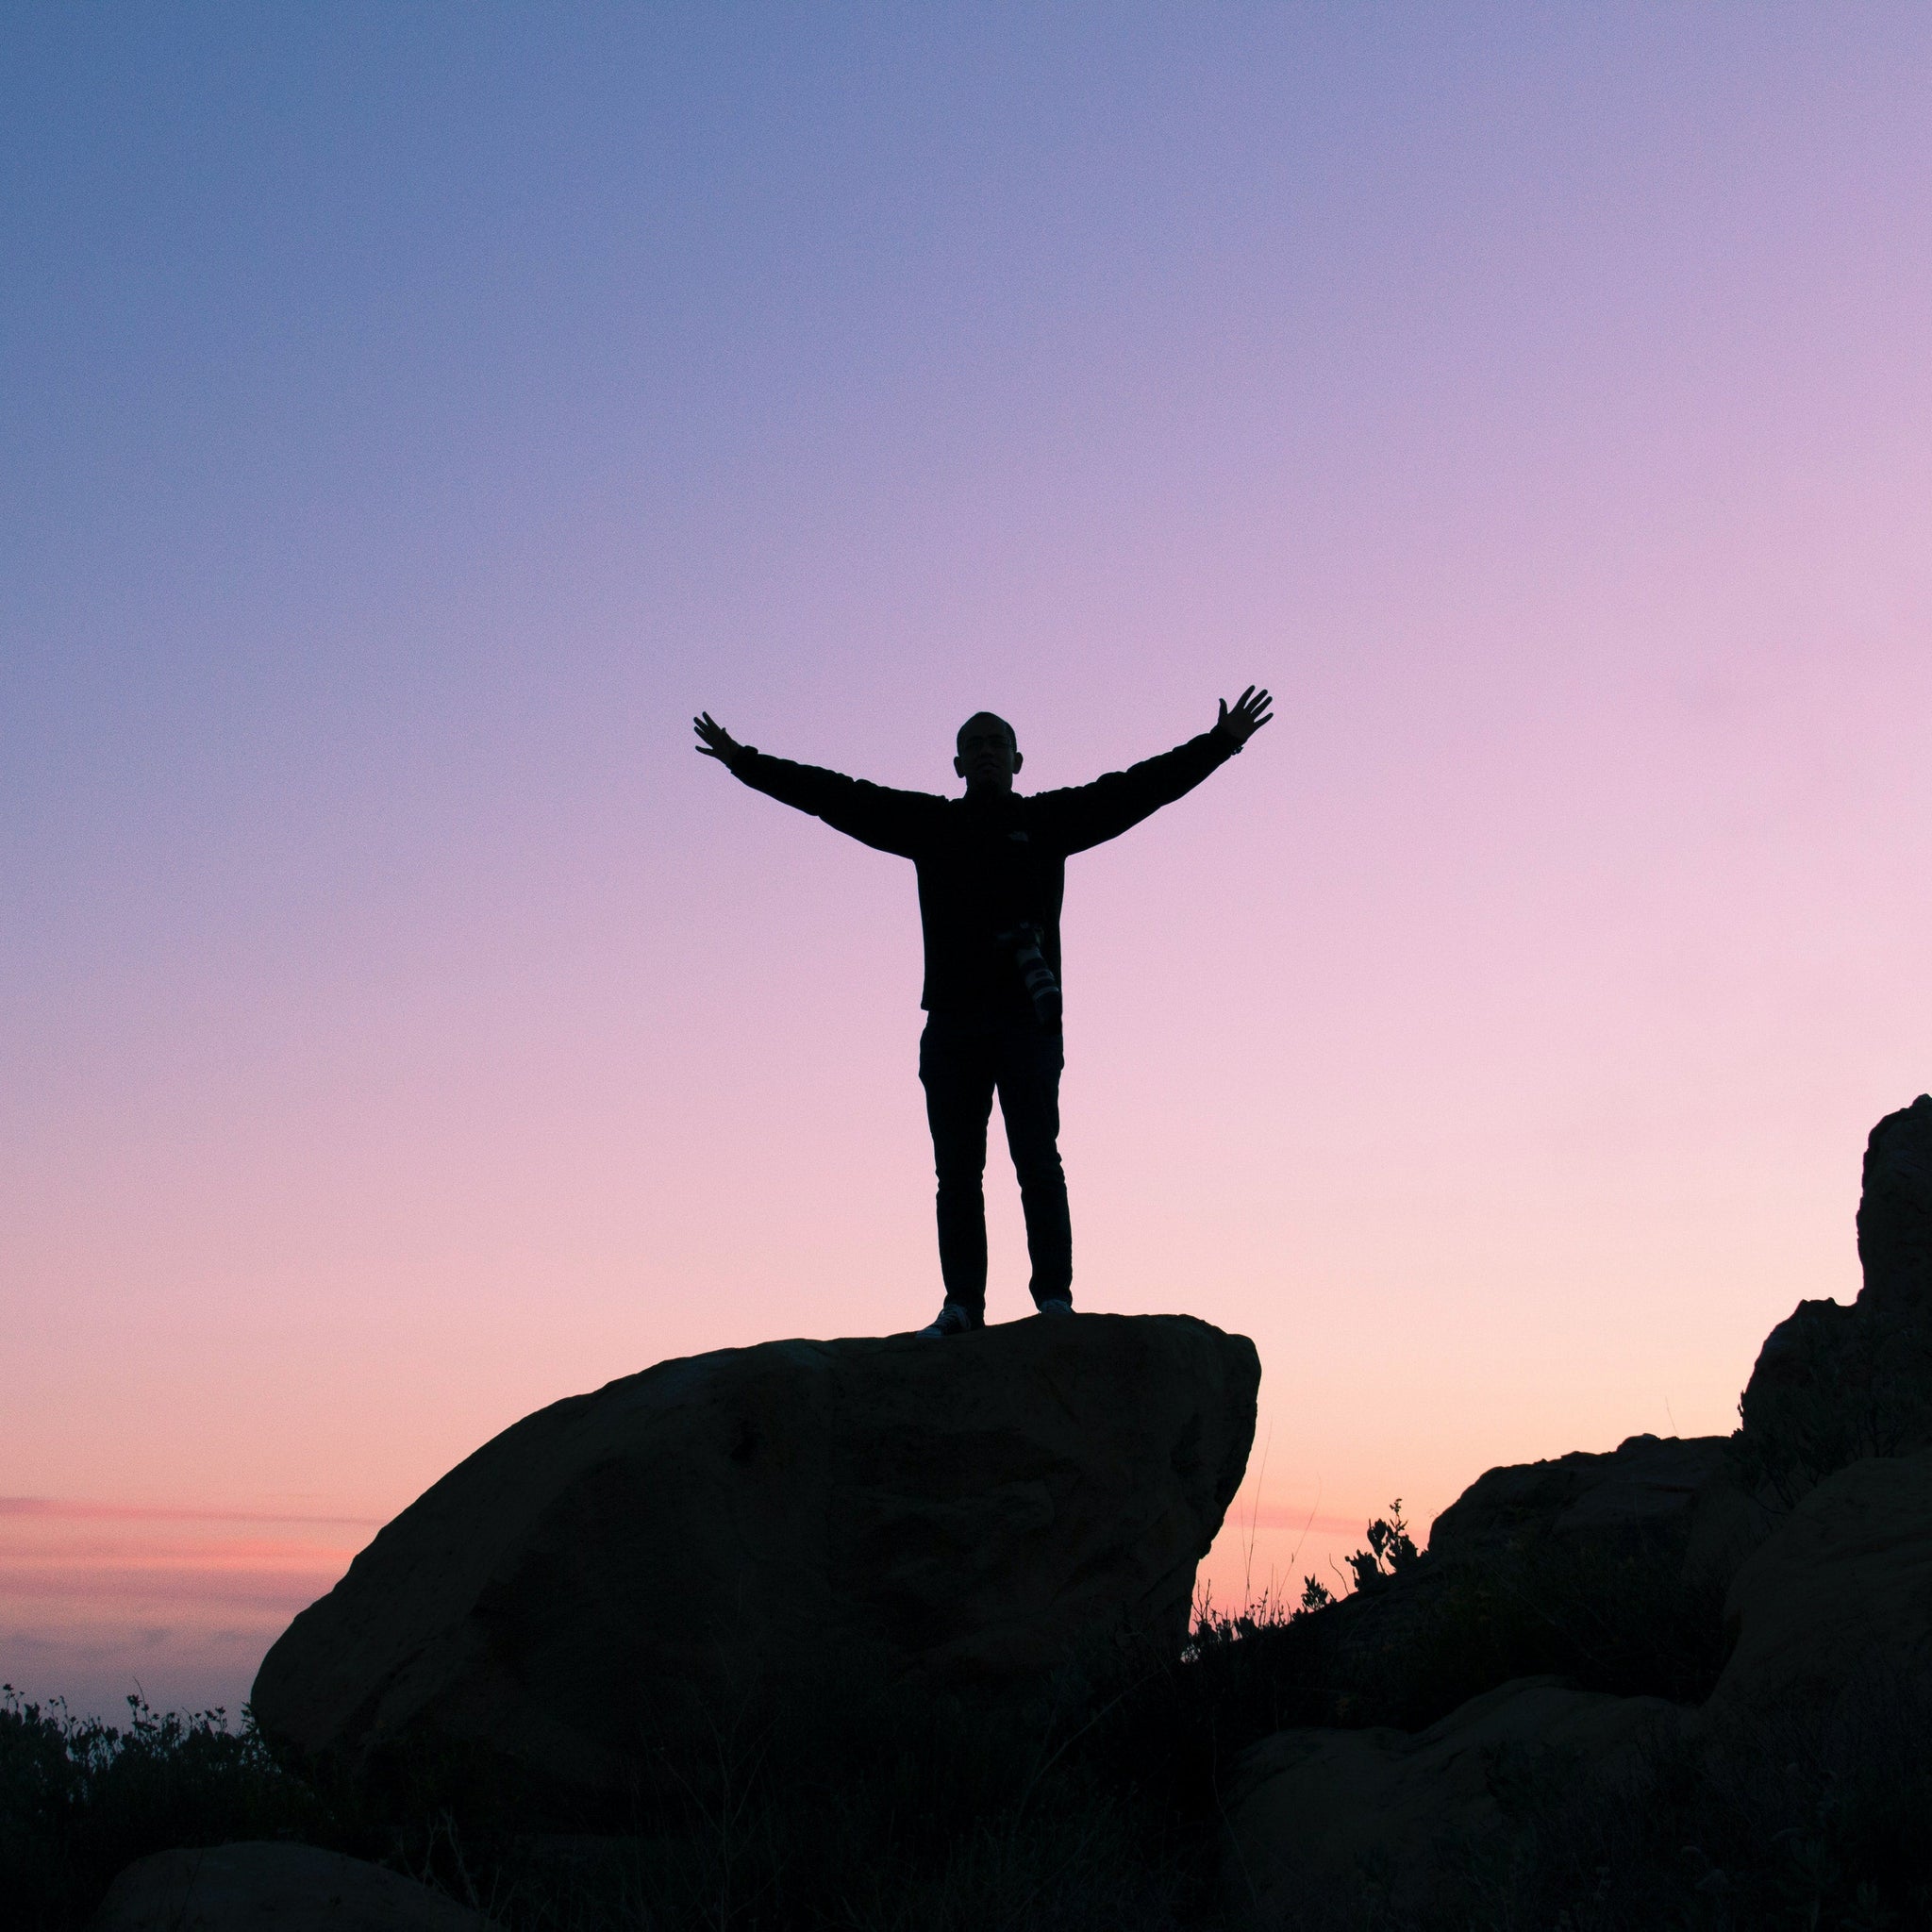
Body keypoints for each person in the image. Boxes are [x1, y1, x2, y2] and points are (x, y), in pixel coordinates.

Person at [692, 689, 1273, 1336]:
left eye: (998, 743)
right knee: (957, 1174)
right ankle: (963, 1304)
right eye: (976, 745)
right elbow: (837, 796)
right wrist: (744, 762)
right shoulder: (933, 826)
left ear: (1019, 760)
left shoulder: (1051, 822)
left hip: (1027, 1021)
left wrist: (1219, 744)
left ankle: (1053, 1298)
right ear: (958, 765)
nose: (988, 752)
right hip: (953, 1026)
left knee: (1037, 1162)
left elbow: (1136, 791)